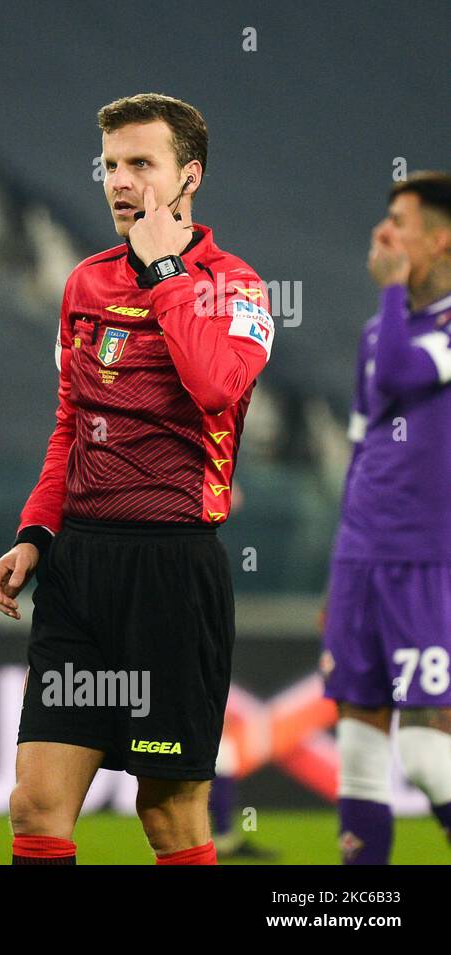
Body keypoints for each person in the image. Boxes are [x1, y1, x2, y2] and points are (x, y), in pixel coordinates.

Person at [0, 94, 273, 865]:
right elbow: (69, 424)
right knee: (35, 802)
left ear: (190, 177)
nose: (119, 180)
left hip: (171, 570)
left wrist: (166, 272)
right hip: (79, 568)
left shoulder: (237, 287)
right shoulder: (85, 284)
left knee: (168, 810)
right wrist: (36, 530)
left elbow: (215, 386)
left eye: (141, 164)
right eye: (111, 164)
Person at [321, 171, 451, 863]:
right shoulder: (379, 333)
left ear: (441, 237)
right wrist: (340, 565)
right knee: (357, 751)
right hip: (361, 560)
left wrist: (393, 289)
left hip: (427, 562)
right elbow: (362, 445)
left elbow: (403, 374)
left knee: (428, 757)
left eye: (398, 221)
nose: (382, 233)